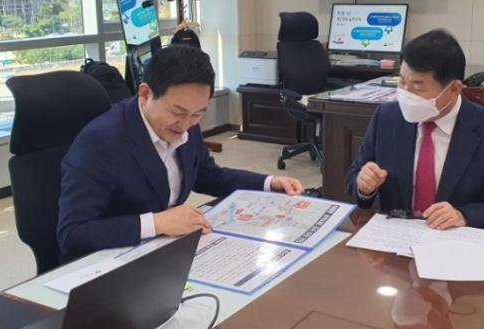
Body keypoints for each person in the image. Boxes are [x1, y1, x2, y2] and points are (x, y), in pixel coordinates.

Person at [58, 45, 304, 261]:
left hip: (163, 251)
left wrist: (268, 183)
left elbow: (207, 175)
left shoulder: (185, 123)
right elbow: (72, 233)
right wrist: (157, 222)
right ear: (145, 94)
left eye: (197, 114)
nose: (186, 124)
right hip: (108, 262)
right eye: (178, 112)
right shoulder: (100, 142)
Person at [345, 29, 484, 232]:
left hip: (457, 242)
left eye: (418, 87)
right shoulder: (387, 117)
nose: (406, 94)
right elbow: (354, 177)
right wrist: (364, 187)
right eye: (402, 82)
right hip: (395, 237)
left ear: (454, 89)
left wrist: (464, 215)